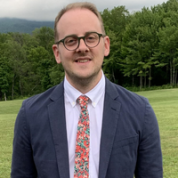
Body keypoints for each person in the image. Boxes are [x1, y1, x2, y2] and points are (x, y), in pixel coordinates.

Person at [11, 2, 163, 178]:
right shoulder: (30, 115)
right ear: (57, 52)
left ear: (105, 45)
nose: (82, 47)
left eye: (91, 37)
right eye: (71, 41)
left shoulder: (140, 111)